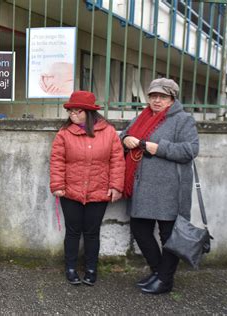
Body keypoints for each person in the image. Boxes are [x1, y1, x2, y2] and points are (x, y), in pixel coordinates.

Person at [120, 78, 199, 294]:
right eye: (153, 96)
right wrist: (126, 138)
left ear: (172, 98)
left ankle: (165, 280)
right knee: (139, 229)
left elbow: (190, 151)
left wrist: (159, 148)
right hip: (142, 187)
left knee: (168, 236)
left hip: (169, 189)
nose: (156, 100)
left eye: (162, 96)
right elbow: (124, 134)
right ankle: (159, 272)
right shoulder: (142, 117)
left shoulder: (183, 120)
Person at [50, 91, 125, 286]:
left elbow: (117, 160)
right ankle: (71, 268)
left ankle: (92, 269)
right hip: (70, 191)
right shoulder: (64, 134)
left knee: (92, 232)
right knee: (73, 231)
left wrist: (116, 186)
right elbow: (57, 161)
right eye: (70, 111)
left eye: (78, 111)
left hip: (99, 191)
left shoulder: (108, 132)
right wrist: (58, 185)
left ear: (89, 113)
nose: (73, 115)